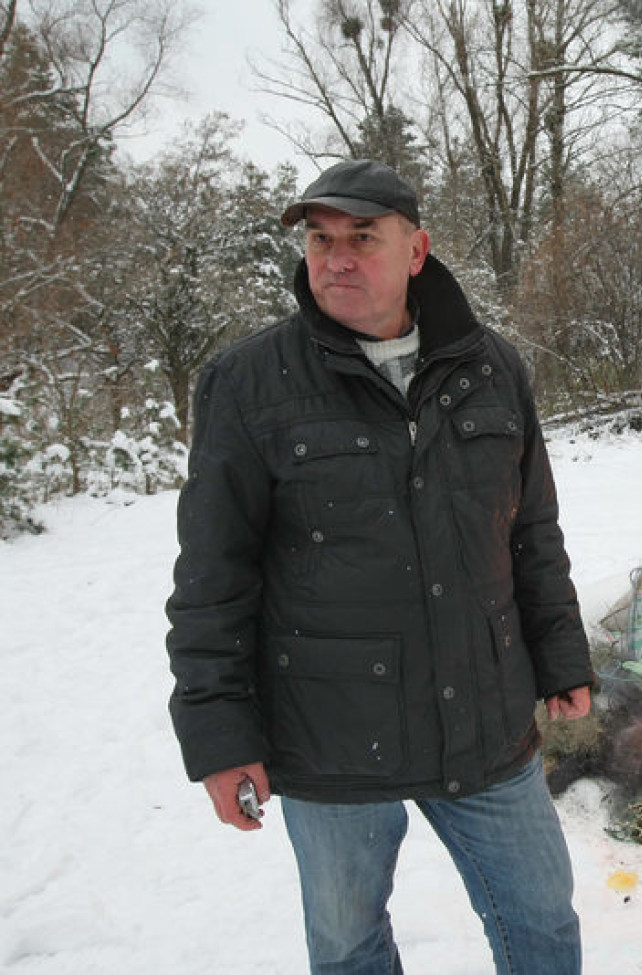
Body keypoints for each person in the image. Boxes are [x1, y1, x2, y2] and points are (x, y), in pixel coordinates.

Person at [165, 158, 593, 975]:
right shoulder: (249, 383)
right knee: (347, 943)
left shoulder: (492, 368)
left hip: (483, 714)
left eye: (363, 237)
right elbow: (211, 578)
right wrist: (221, 735)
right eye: (322, 240)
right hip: (328, 732)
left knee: (543, 927)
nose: (337, 258)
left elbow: (532, 528)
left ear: (417, 249)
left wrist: (560, 653)